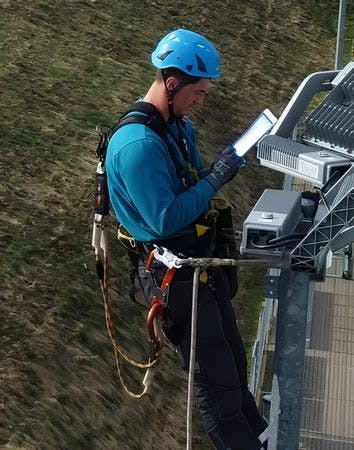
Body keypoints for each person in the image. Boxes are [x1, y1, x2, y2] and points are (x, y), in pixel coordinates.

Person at [105, 29, 268, 449]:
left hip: (196, 265)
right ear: (171, 83)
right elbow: (164, 218)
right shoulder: (138, 145)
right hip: (173, 275)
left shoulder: (177, 128)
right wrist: (215, 179)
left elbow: (191, 182)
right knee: (216, 383)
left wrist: (216, 170)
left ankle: (260, 437)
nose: (200, 100)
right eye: (197, 91)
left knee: (232, 360)